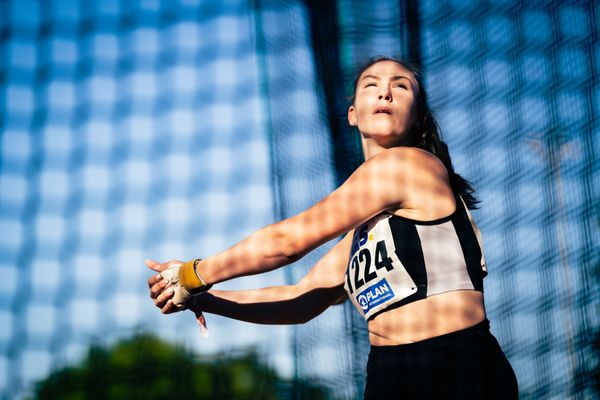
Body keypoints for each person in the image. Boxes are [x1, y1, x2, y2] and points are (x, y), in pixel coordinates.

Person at [145, 56, 518, 399]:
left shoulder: (408, 166)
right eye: (371, 84)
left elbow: (288, 242)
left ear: (418, 116)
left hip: (455, 366)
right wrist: (202, 298)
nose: (385, 91)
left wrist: (193, 274)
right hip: (389, 377)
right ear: (353, 114)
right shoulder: (362, 234)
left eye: (401, 85)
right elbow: (303, 298)